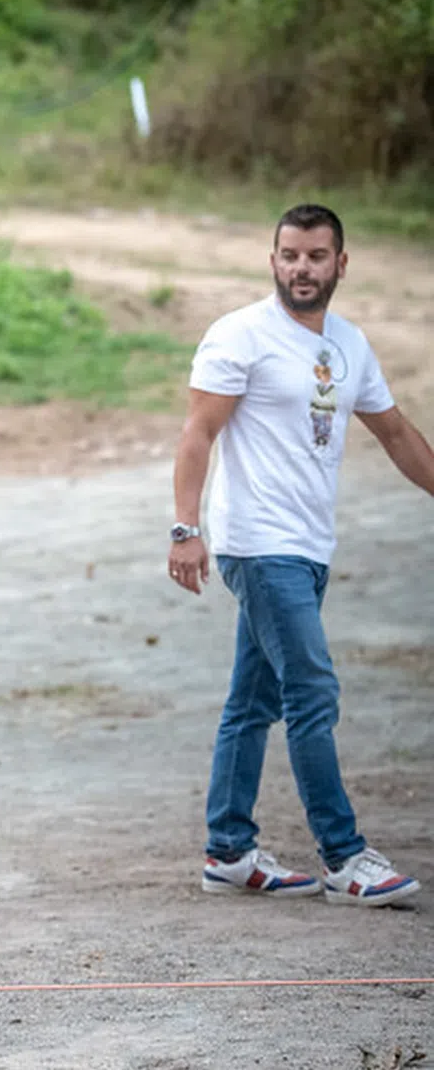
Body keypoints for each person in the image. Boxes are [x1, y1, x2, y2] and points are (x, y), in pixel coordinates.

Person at [168, 204, 431, 907]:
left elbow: (397, 434)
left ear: (340, 264)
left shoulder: (349, 345)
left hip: (311, 546)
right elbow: (198, 434)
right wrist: (184, 528)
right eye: (289, 255)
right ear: (273, 259)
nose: (301, 269)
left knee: (252, 699)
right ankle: (344, 857)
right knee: (312, 689)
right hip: (259, 545)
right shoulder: (241, 335)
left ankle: (228, 848)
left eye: (316, 256)